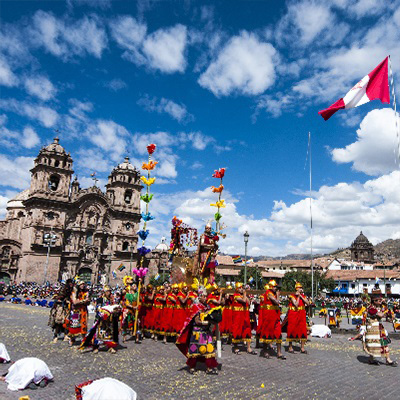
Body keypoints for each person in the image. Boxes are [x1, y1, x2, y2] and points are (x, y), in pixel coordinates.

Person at [176, 284, 221, 375]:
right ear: (199, 297)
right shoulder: (195, 307)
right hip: (197, 332)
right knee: (195, 350)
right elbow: (197, 321)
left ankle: (209, 367)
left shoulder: (207, 307)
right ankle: (192, 366)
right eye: (204, 296)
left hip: (206, 332)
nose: (205, 298)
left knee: (209, 349)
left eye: (206, 296)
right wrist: (206, 323)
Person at [363, 287, 397, 366]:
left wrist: (390, 314)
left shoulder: (380, 307)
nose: (380, 301)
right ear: (373, 301)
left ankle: (388, 360)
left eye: (380, 300)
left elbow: (387, 315)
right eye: (378, 300)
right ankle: (371, 359)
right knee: (373, 345)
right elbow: (380, 315)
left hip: (379, 328)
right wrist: (386, 312)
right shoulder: (371, 308)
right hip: (372, 329)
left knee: (384, 343)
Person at [258, 280, 285, 359]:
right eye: (274, 287)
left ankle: (279, 353)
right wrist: (278, 295)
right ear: (271, 287)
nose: (276, 288)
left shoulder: (273, 293)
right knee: (267, 334)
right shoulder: (268, 293)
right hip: (268, 317)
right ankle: (265, 351)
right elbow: (276, 302)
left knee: (278, 333)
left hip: (275, 316)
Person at [231, 282, 255, 355]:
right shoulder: (235, 296)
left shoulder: (244, 295)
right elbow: (243, 301)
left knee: (247, 329)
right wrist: (245, 295)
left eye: (242, 288)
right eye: (240, 288)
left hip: (245, 315)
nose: (241, 289)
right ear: (237, 289)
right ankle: (235, 347)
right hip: (238, 316)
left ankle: (248, 347)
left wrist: (246, 295)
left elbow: (248, 302)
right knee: (237, 330)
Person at [287, 282, 309, 354]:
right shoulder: (292, 296)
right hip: (293, 315)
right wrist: (298, 297)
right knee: (292, 329)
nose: (301, 289)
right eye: (300, 288)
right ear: (297, 289)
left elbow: (308, 303)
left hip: (301, 315)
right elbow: (296, 304)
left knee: (303, 330)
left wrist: (301, 296)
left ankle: (302, 348)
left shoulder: (303, 296)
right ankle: (290, 347)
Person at [48, 278, 73, 343]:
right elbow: (59, 298)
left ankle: (65, 335)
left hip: (67, 308)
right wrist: (65, 301)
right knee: (58, 321)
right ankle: (55, 336)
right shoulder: (63, 289)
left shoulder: (71, 290)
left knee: (66, 322)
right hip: (60, 307)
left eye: (71, 283)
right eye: (70, 283)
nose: (71, 284)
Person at [67, 281, 90, 346]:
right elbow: (75, 302)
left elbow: (88, 301)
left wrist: (84, 301)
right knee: (74, 325)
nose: (82, 285)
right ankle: (71, 339)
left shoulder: (86, 292)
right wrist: (84, 301)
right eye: (81, 284)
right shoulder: (74, 292)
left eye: (83, 284)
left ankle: (83, 340)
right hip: (75, 311)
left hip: (83, 311)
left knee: (83, 325)